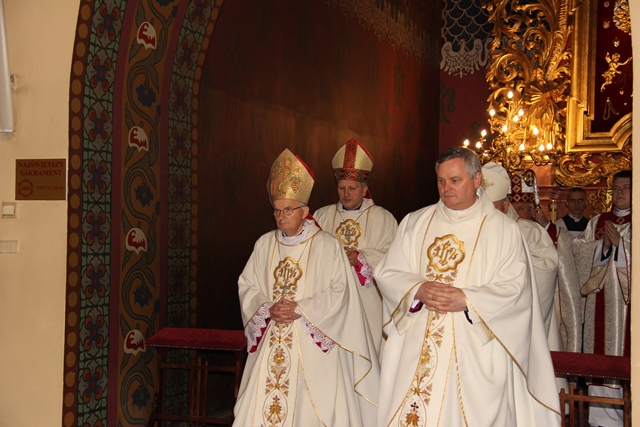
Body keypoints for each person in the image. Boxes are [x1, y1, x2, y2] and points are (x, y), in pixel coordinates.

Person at [374, 147, 561, 427]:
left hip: (473, 348)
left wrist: (467, 299)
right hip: (417, 344)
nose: (446, 188)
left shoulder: (503, 230)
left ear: (476, 180)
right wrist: (417, 289)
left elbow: (516, 289)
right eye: (441, 181)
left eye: (455, 180)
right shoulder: (415, 222)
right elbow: (388, 272)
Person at [234, 148, 379, 427]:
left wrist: (301, 309)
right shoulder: (264, 244)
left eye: (288, 210)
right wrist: (266, 307)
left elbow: (340, 292)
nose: (281, 216)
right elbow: (247, 285)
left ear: (305, 212)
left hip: (312, 339)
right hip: (273, 337)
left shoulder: (326, 245)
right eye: (277, 210)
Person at [557, 170, 631, 427]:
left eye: (626, 187)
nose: (619, 192)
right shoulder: (597, 222)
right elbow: (578, 253)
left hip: (628, 307)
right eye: (616, 188)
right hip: (598, 302)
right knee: (599, 356)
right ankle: (602, 420)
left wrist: (621, 245)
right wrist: (605, 247)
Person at [314, 139, 398, 355]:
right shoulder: (322, 216)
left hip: (368, 302)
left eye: (352, 188)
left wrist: (361, 258)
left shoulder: (383, 218)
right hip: (331, 301)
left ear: (364, 189)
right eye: (341, 188)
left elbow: (394, 258)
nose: (346, 194)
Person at [481, 162, 561, 345]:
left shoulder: (528, 231)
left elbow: (546, 268)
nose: (485, 213)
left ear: (505, 205)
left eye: (491, 207)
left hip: (515, 320)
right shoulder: (470, 231)